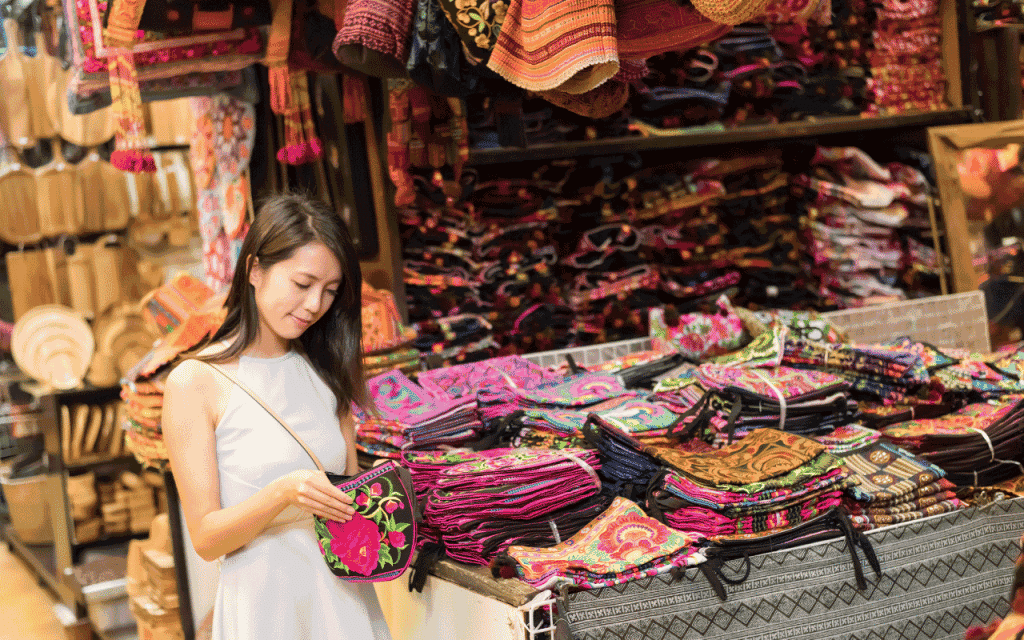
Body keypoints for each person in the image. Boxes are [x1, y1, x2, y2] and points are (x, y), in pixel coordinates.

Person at [162, 194, 392, 640]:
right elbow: (207, 540)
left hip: (345, 601)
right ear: (255, 271)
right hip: (266, 607)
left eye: (329, 291)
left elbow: (351, 493)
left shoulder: (324, 370)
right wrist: (284, 492)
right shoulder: (195, 382)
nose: (314, 305)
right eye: (302, 283)